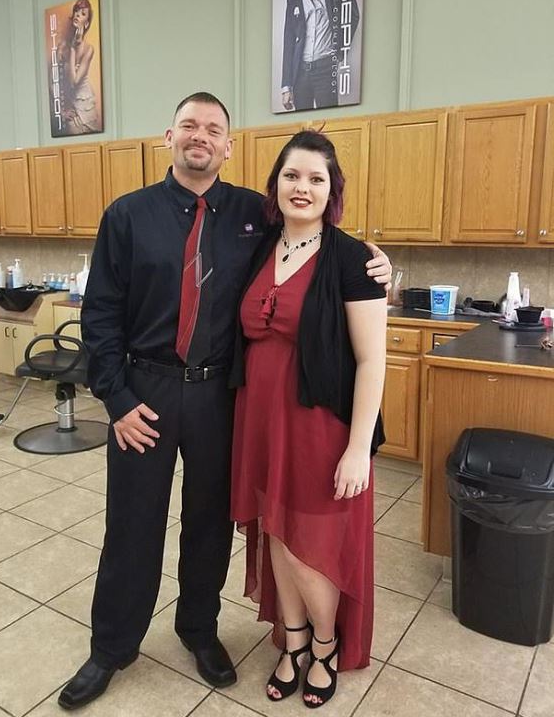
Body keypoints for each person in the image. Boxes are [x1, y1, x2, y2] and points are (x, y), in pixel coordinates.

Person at [58, 92, 391, 710]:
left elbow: (320, 240)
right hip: (144, 393)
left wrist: (375, 264)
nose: (201, 137)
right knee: (132, 525)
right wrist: (116, 399)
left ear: (229, 146)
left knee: (210, 524)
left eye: (214, 129)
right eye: (189, 125)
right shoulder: (127, 216)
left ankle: (199, 631)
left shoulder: (251, 215)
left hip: (220, 396)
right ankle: (111, 647)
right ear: (169, 136)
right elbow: (99, 315)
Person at [230, 130, 387, 708]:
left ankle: (324, 644)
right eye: (292, 175)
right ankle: (293, 640)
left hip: (319, 427)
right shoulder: (258, 247)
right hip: (260, 421)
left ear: (331, 190)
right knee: (277, 529)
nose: (302, 187)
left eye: (316, 178)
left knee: (310, 541)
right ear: (275, 184)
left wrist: (358, 448)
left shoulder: (354, 259)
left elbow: (372, 360)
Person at [281, 0, 359, 111]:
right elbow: (288, 43)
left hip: (325, 68)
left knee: (328, 119)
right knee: (302, 123)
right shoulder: (292, 0)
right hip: (301, 73)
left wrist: (340, 50)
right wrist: (286, 86)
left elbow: (353, 14)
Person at [60, 0, 101, 134]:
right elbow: (52, 84)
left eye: (83, 13)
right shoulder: (62, 48)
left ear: (87, 23)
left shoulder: (89, 49)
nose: (78, 14)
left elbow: (75, 82)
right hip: (71, 109)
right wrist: (61, 112)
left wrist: (74, 48)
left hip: (86, 107)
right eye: (76, 11)